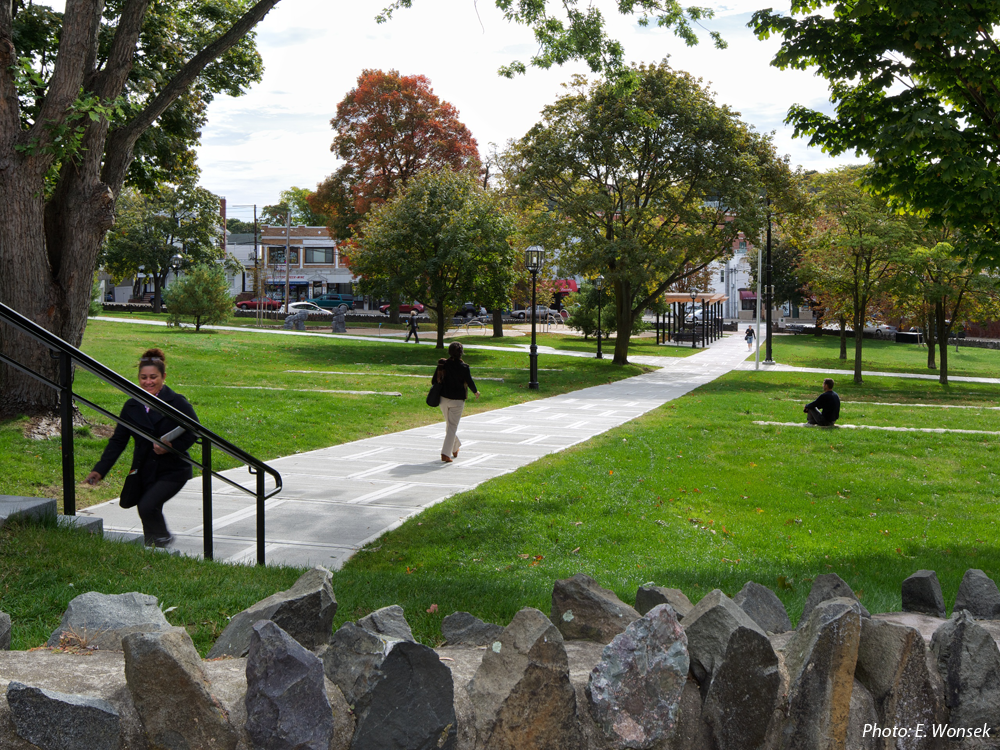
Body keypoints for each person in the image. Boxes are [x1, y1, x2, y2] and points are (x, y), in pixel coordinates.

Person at [84, 348, 199, 546]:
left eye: (153, 377)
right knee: (147, 509)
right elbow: (118, 441)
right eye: (143, 377)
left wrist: (172, 447)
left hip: (173, 470)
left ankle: (163, 539)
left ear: (163, 377)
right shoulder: (131, 406)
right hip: (145, 470)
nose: (148, 382)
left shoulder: (177, 402)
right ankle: (153, 548)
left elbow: (194, 431)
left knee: (147, 506)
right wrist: (100, 470)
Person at [433, 342, 479, 462]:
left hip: (443, 399)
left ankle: (455, 446)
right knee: (452, 426)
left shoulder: (443, 365)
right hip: (458, 401)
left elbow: (434, 381)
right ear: (461, 353)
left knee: (450, 426)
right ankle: (445, 453)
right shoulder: (464, 367)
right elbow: (470, 382)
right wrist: (476, 392)